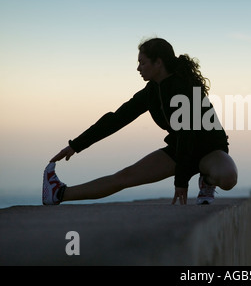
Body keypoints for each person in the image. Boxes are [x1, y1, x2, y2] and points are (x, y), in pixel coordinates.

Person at [43, 37, 238, 206]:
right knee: (124, 177)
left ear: (158, 63)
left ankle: (207, 180)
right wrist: (75, 145)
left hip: (209, 150)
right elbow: (116, 119)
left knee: (228, 177)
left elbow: (188, 134)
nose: (138, 68)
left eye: (142, 63)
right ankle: (58, 192)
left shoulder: (185, 87)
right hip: (178, 150)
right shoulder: (151, 92)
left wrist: (181, 182)